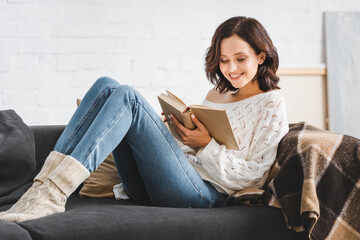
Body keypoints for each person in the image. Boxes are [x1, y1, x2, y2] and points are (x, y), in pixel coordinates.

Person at [0, 16, 289, 223]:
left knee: (128, 97)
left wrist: (206, 146)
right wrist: (175, 131)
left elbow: (255, 176)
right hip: (168, 182)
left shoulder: (271, 103)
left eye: (240, 59)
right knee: (106, 84)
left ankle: (53, 192)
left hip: (207, 196)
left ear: (260, 56)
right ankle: (44, 187)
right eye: (224, 60)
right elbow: (190, 153)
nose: (231, 68)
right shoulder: (215, 94)